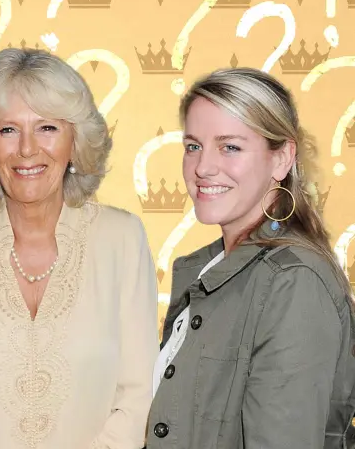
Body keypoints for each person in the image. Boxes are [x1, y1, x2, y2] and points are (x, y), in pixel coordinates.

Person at [0, 48, 159, 448]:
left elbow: (139, 395)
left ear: (75, 141)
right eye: (8, 130)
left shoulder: (123, 239)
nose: (27, 149)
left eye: (47, 128)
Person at [147, 67, 355, 448]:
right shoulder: (206, 267)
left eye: (230, 147)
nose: (203, 167)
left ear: (282, 158)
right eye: (193, 146)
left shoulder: (293, 283)